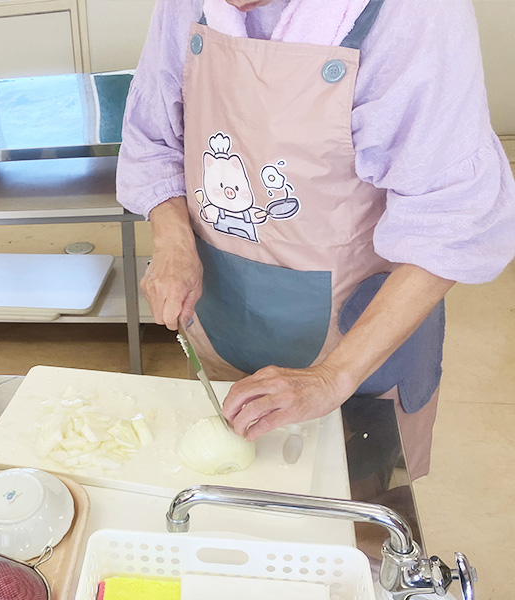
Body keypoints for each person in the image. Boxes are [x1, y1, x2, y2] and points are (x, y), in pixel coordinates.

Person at [117, 0, 515, 477]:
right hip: (223, 318)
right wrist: (174, 241)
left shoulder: (417, 13)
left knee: (351, 524)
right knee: (229, 501)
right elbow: (154, 137)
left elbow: (450, 214)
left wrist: (332, 376)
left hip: (356, 337)